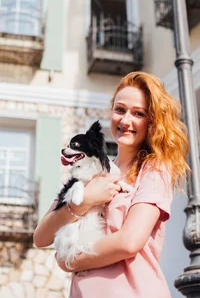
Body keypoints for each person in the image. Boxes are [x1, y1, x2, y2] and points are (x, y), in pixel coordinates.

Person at [33, 71, 190, 298]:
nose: (126, 120)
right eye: (120, 110)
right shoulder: (91, 169)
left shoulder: (154, 169)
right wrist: (84, 202)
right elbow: (41, 237)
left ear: (152, 121)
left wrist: (70, 259)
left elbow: (129, 242)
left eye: (138, 113)